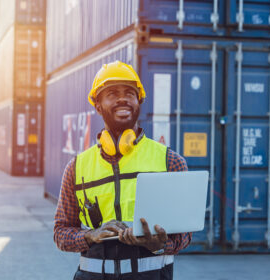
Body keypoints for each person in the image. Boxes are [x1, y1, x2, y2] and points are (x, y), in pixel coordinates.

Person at [54, 61, 191, 280]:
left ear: (139, 101)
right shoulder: (76, 168)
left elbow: (184, 234)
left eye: (129, 92)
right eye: (112, 93)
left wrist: (160, 244)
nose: (122, 99)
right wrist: (91, 235)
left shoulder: (170, 162)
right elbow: (61, 232)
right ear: (98, 106)